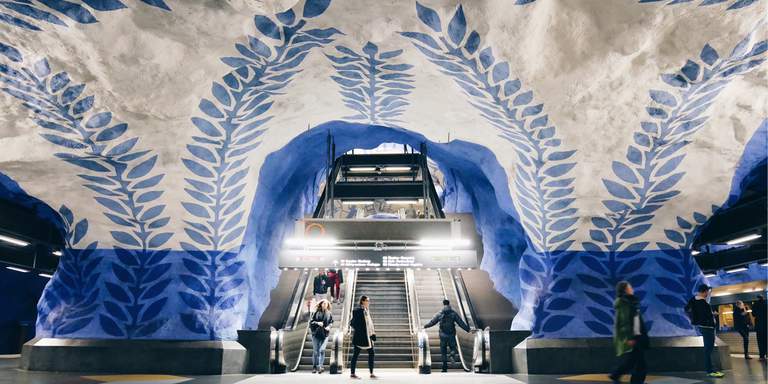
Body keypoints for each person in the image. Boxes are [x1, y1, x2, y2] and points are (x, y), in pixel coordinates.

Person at [609, 281, 648, 384]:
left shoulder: (631, 302)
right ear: (625, 290)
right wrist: (629, 337)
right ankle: (622, 377)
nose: (632, 289)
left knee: (633, 361)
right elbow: (625, 321)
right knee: (639, 363)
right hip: (633, 336)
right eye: (630, 287)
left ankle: (616, 375)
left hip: (637, 335)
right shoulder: (624, 303)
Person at [685, 284, 724, 378]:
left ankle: (710, 370)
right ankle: (710, 371)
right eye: (707, 292)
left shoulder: (693, 299)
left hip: (703, 326)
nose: (707, 294)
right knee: (708, 350)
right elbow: (706, 315)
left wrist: (695, 319)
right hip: (708, 327)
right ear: (705, 291)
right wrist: (712, 315)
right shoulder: (703, 303)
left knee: (708, 349)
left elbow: (686, 309)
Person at [423, 299, 470, 372]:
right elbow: (460, 323)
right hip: (451, 334)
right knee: (453, 348)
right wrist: (468, 329)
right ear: (449, 304)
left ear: (443, 304)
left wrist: (425, 326)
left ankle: (444, 367)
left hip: (442, 335)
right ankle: (452, 354)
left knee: (443, 351)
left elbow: (433, 322)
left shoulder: (440, 313)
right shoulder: (453, 313)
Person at [349, 295, 376, 379]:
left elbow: (369, 324)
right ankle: (352, 373)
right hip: (360, 337)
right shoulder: (357, 311)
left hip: (368, 337)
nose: (369, 302)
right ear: (363, 301)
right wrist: (360, 331)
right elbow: (352, 323)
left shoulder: (366, 311)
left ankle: (371, 373)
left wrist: (373, 334)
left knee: (371, 353)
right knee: (355, 355)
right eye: (367, 301)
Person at [310, 299, 333, 373]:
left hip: (325, 334)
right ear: (321, 304)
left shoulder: (329, 313)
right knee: (316, 351)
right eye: (323, 303)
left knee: (322, 350)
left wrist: (329, 326)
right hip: (316, 334)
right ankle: (314, 366)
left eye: (326, 304)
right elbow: (311, 322)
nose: (325, 305)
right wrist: (317, 323)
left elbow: (331, 322)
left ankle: (320, 366)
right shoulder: (316, 312)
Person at [753, 295, 767, 360]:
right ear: (763, 297)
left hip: (759, 325)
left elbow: (753, 314)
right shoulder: (766, 303)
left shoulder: (755, 304)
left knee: (760, 341)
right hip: (766, 324)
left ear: (758, 298)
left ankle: (762, 356)